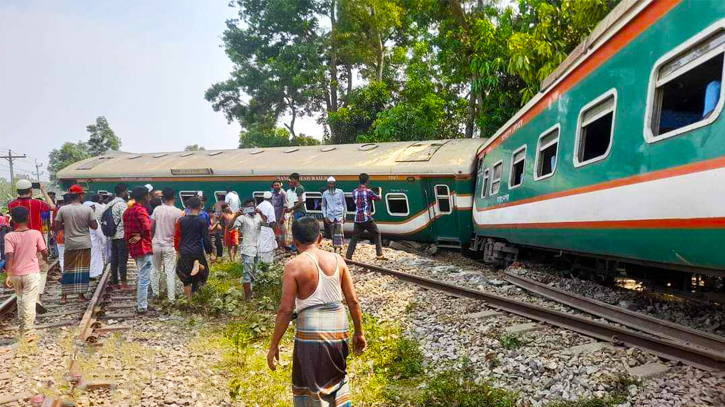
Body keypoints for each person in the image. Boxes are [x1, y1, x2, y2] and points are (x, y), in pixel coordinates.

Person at [267, 217, 366, 406]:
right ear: (320, 238)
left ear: (295, 242)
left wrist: (274, 345)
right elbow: (353, 301)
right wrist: (359, 333)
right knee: (337, 376)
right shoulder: (338, 260)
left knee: (312, 383)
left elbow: (286, 310)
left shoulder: (294, 266)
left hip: (311, 329)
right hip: (338, 325)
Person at [4, 206, 49, 342]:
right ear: (28, 217)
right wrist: (46, 259)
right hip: (31, 273)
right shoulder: (35, 233)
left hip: (16, 274)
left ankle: (22, 328)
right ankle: (28, 331)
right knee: (29, 301)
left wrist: (8, 274)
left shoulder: (9, 236)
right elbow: (44, 251)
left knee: (20, 300)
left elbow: (9, 256)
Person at [8, 179, 56, 306]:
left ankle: (24, 295)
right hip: (35, 240)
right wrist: (43, 189)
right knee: (42, 268)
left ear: (18, 191)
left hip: (16, 241)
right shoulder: (37, 203)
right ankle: (37, 296)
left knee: (22, 269)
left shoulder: (11, 204)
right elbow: (52, 206)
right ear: (31, 190)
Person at [55, 185, 98, 304]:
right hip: (84, 243)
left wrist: (66, 224)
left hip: (70, 243)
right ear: (80, 195)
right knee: (83, 270)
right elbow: (94, 226)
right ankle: (80, 296)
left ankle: (64, 297)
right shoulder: (87, 209)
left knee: (68, 269)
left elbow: (56, 226)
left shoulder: (63, 209)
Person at [174, 197, 212, 299]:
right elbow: (206, 239)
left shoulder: (181, 221)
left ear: (188, 207)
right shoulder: (202, 221)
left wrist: (178, 250)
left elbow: (177, 237)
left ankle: (189, 301)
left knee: (184, 276)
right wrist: (210, 252)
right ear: (200, 207)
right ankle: (200, 266)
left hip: (185, 250)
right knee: (203, 274)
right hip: (197, 251)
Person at [123, 186, 153, 314]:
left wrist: (132, 239)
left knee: (142, 274)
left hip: (134, 248)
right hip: (143, 247)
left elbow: (127, 233)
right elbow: (147, 227)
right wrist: (140, 235)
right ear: (144, 196)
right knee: (144, 278)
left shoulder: (127, 211)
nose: (149, 197)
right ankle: (142, 306)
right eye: (148, 195)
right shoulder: (141, 210)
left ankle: (143, 302)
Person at [151, 187, 183, 302]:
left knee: (155, 270)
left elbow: (151, 226)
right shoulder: (179, 212)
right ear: (174, 197)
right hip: (170, 245)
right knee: (170, 272)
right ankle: (171, 298)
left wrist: (151, 240)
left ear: (163, 197)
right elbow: (179, 231)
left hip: (156, 244)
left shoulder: (157, 210)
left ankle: (155, 294)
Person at [346, 173, 386, 261]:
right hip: (366, 218)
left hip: (357, 219)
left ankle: (348, 257)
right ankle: (379, 254)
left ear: (359, 180)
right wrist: (380, 191)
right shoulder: (369, 192)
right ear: (367, 181)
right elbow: (378, 198)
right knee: (377, 233)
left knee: (354, 238)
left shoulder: (354, 191)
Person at [231, 199, 267, 299]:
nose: (251, 209)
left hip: (258, 248)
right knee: (247, 273)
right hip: (247, 249)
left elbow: (267, 225)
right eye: (248, 207)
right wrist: (235, 216)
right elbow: (229, 227)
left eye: (252, 206)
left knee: (255, 272)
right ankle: (247, 298)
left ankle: (252, 294)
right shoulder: (242, 218)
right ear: (245, 208)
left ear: (255, 207)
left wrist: (261, 213)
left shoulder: (259, 216)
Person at [105, 183, 131, 291]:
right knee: (122, 260)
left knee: (114, 260)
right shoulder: (122, 204)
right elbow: (126, 220)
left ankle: (115, 283)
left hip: (112, 236)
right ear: (124, 191)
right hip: (121, 236)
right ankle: (124, 284)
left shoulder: (109, 204)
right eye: (127, 191)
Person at [321, 176, 347, 254]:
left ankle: (341, 249)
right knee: (333, 234)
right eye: (330, 184)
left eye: (332, 184)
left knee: (340, 233)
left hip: (339, 215)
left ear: (335, 184)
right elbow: (323, 205)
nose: (331, 185)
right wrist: (325, 216)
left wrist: (344, 215)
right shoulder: (325, 194)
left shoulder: (340, 192)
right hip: (330, 216)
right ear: (328, 184)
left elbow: (344, 204)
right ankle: (335, 249)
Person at [84, 194, 106, 279]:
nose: (94, 209)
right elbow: (99, 232)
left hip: (85, 242)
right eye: (92, 207)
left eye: (94, 207)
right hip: (93, 243)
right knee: (93, 259)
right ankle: (92, 274)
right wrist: (103, 241)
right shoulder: (93, 218)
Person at [256, 191, 277, 265]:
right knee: (268, 248)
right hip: (267, 229)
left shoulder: (258, 206)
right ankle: (267, 265)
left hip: (259, 229)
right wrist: (275, 233)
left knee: (260, 246)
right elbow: (272, 222)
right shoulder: (270, 207)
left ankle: (259, 264)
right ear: (271, 198)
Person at [270, 181, 288, 249]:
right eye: (275, 185)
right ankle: (278, 247)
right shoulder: (273, 194)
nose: (276, 186)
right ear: (273, 186)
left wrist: (282, 217)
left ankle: (283, 248)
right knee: (276, 233)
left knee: (282, 234)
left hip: (280, 218)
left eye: (278, 185)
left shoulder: (283, 194)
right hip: (274, 217)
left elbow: (285, 206)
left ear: (280, 186)